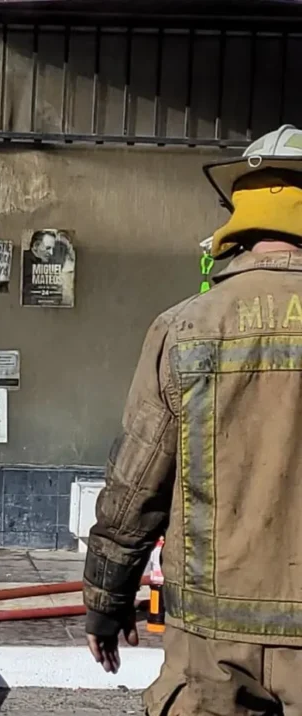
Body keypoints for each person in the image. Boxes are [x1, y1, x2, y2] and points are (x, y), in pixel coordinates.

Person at [83, 124, 302, 716]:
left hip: (210, 639)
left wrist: (106, 599)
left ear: (240, 219)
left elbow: (135, 488)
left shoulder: (186, 326)